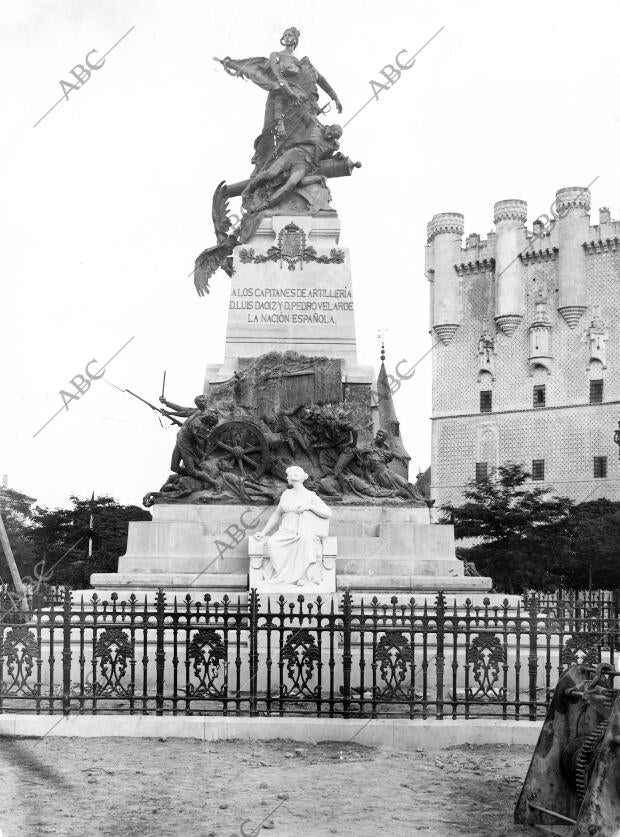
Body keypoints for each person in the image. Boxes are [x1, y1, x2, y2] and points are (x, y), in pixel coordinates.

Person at [254, 465, 331, 585]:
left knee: (305, 541)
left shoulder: (310, 495)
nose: (287, 477)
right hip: (286, 530)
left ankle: (302, 577)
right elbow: (276, 514)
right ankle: (282, 576)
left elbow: (328, 513)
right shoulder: (286, 494)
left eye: (288, 475)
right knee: (272, 543)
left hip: (302, 530)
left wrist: (310, 507)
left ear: (295, 478)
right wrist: (263, 532)